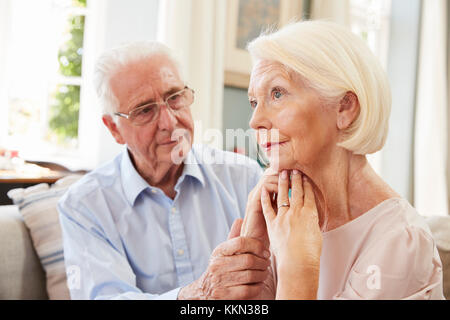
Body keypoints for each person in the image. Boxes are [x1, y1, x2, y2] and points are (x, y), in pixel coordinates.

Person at [240, 20, 445, 299]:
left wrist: (299, 271)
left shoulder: (402, 242)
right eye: (254, 102)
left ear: (344, 108)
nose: (255, 121)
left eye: (277, 93)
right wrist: (253, 255)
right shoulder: (287, 217)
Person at [58, 41, 270, 300]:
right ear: (114, 128)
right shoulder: (84, 205)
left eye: (175, 98)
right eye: (145, 110)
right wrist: (199, 294)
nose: (170, 122)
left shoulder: (244, 177)